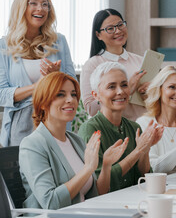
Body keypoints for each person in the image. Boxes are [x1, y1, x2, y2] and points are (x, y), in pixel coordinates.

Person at [19, 72, 128, 209]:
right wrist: (88, 169)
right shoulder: (32, 145)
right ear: (42, 103)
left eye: (74, 94)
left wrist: (106, 165)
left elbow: (96, 194)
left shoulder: (75, 140)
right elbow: (51, 203)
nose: (71, 99)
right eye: (61, 94)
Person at [0, 0, 76, 147]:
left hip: (55, 120)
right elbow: (1, 94)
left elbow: (73, 86)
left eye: (45, 4)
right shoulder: (3, 46)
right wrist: (39, 85)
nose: (40, 9)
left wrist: (56, 80)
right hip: (21, 124)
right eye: (33, 3)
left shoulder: (59, 41)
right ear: (21, 8)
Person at [78, 62, 164, 191]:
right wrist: (138, 151)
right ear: (96, 95)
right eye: (111, 87)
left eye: (124, 85)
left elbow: (143, 176)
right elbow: (98, 185)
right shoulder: (90, 130)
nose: (120, 91)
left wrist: (145, 149)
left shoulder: (134, 127)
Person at [80, 8, 148, 121]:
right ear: (98, 35)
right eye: (110, 29)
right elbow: (90, 109)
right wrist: (128, 88)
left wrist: (151, 92)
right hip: (113, 130)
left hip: (144, 126)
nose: (118, 31)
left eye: (120, 25)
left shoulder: (140, 61)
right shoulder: (92, 64)